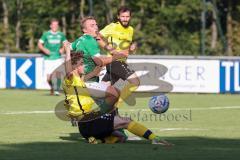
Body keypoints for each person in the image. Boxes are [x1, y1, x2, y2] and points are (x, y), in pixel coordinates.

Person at [62, 45, 172, 146]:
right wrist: (67, 50)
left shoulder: (79, 81)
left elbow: (70, 102)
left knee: (120, 137)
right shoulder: (70, 79)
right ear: (73, 66)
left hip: (88, 123)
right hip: (88, 123)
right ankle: (155, 138)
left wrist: (97, 68)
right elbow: (68, 71)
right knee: (126, 121)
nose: (84, 66)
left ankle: (98, 139)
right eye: (81, 64)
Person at [97, 6, 140, 106]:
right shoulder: (113, 26)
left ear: (130, 17)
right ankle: (115, 105)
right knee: (135, 82)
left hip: (122, 63)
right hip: (114, 61)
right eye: (123, 16)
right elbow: (97, 37)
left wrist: (132, 48)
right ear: (118, 17)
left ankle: (107, 111)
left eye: (127, 16)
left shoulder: (131, 30)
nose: (125, 19)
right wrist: (110, 49)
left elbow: (128, 48)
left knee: (109, 91)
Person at [38, 18, 67, 96]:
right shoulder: (46, 34)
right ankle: (52, 88)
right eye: (53, 25)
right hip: (48, 58)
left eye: (56, 25)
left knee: (58, 75)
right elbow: (39, 44)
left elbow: (66, 43)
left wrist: (62, 49)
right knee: (48, 78)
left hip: (57, 57)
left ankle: (57, 90)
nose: (55, 26)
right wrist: (44, 50)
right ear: (50, 26)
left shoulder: (61, 34)